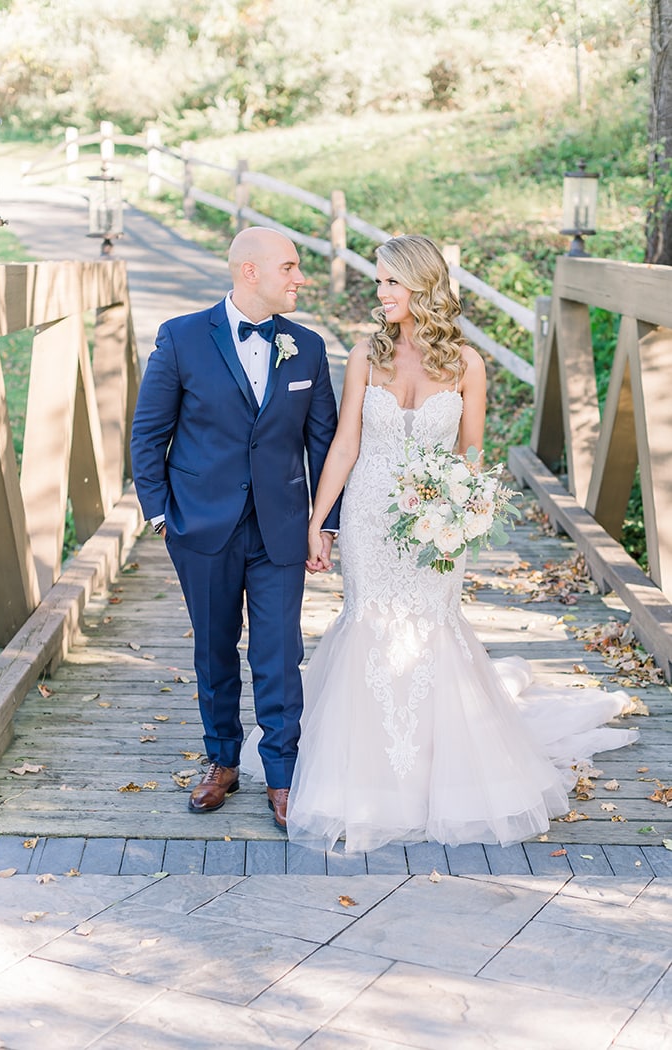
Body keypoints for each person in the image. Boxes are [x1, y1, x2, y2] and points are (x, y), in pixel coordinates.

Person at [242, 234, 639, 852]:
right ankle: (366, 777)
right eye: (378, 282)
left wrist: (465, 512)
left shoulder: (466, 364)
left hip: (434, 528)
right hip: (372, 518)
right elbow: (345, 444)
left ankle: (436, 775)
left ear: (423, 286)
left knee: (430, 628)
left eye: (391, 283)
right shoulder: (363, 356)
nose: (381, 294)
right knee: (370, 623)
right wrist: (319, 522)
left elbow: (471, 455)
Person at [130, 226, 341, 829]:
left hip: (279, 529)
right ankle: (222, 760)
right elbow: (149, 434)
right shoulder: (181, 338)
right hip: (201, 526)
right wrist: (161, 515)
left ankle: (281, 775)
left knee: (279, 654)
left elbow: (323, 444)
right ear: (250, 272)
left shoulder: (308, 347)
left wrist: (323, 524)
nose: (300, 278)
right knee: (214, 649)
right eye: (290, 267)